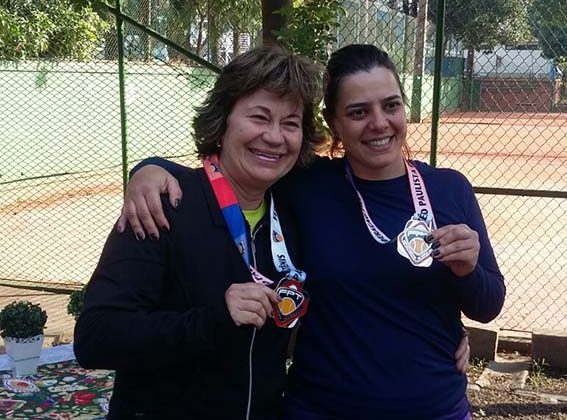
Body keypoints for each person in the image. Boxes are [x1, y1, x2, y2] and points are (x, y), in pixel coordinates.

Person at [118, 44, 504, 419]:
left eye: (391, 105)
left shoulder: (449, 189)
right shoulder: (308, 183)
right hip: (321, 406)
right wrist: (150, 170)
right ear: (334, 124)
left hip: (435, 407)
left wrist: (468, 269)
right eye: (358, 112)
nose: (379, 123)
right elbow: (230, 170)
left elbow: (488, 305)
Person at [74, 46, 327, 420]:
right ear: (222, 122)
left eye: (290, 123)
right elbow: (96, 337)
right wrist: (212, 320)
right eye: (259, 117)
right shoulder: (163, 207)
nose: (275, 137)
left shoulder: (294, 213)